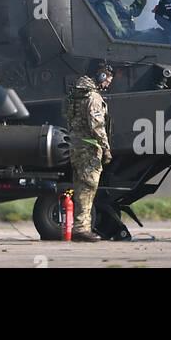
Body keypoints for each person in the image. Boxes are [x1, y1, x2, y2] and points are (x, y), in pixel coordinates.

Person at [62, 60, 113, 242]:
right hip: (89, 148)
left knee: (79, 186)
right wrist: (106, 148)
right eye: (107, 79)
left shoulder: (74, 94)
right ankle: (81, 229)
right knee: (88, 187)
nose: (107, 84)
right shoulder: (92, 97)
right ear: (100, 76)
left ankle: (79, 226)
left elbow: (66, 115)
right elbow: (97, 126)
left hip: (75, 145)